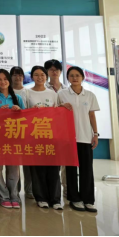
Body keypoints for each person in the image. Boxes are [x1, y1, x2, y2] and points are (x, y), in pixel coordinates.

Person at [59, 66, 100, 213]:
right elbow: (55, 111)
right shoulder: (62, 94)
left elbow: (92, 115)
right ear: (68, 78)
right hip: (68, 138)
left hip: (85, 137)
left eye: (77, 75)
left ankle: (88, 200)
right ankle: (74, 199)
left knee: (86, 170)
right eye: (71, 75)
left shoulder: (89, 95)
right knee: (70, 170)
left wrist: (95, 134)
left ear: (82, 77)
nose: (74, 78)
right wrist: (61, 105)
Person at [25, 66, 62, 210]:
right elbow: (24, 114)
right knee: (37, 169)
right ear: (32, 77)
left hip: (51, 136)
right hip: (34, 136)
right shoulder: (27, 93)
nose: (39, 77)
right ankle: (41, 198)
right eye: (36, 75)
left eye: (42, 75)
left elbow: (58, 113)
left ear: (46, 76)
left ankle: (55, 199)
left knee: (54, 168)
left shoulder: (52, 93)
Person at [0, 69, 26, 210]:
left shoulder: (18, 98)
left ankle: (14, 196)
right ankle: (3, 196)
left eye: (5, 79)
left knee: (14, 169)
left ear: (9, 81)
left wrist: (18, 111)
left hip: (13, 137)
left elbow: (26, 118)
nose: (3, 82)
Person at [44, 59, 69, 197]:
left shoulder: (67, 89)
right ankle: (51, 190)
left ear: (60, 71)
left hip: (65, 130)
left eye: (57, 69)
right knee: (51, 162)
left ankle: (66, 189)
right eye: (51, 69)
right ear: (47, 72)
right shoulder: (43, 88)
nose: (54, 72)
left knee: (66, 161)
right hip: (48, 129)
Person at [10, 66, 32, 200]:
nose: (17, 77)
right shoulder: (7, 91)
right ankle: (15, 190)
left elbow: (30, 110)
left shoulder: (28, 92)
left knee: (28, 162)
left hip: (26, 130)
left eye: (20, 75)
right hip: (11, 131)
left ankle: (29, 190)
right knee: (14, 163)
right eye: (15, 75)